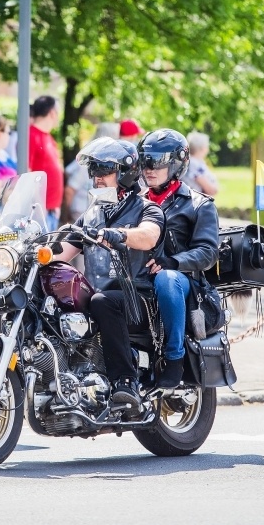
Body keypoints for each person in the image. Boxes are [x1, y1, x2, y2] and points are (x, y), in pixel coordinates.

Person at [54, 137, 164, 414]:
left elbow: (149, 236)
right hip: (102, 295)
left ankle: (125, 381)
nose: (97, 178)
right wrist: (26, 252)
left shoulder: (146, 208)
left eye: (104, 171)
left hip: (138, 298)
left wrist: (117, 235)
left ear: (125, 173)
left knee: (103, 301)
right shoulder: (92, 215)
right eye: (95, 172)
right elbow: (62, 250)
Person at [140, 129, 219, 388]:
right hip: (139, 279)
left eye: (157, 162)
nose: (149, 168)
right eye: (145, 161)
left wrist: (173, 262)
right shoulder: (135, 203)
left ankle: (175, 358)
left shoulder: (199, 204)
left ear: (176, 164)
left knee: (167, 279)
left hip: (184, 282)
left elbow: (208, 252)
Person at [62, 122, 119, 223]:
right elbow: (69, 190)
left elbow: (68, 170)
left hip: (94, 216)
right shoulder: (89, 162)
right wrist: (65, 217)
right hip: (81, 216)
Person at [29, 95, 64, 231]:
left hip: (50, 210)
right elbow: (26, 173)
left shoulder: (48, 137)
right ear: (52, 113)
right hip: (39, 212)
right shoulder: (31, 135)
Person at [182, 132, 219, 196]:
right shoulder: (194, 164)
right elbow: (209, 189)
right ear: (203, 148)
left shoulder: (193, 161)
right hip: (196, 202)